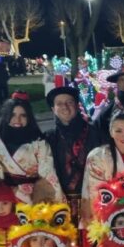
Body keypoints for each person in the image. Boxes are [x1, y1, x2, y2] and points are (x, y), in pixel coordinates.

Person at [0, 93, 64, 204]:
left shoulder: (39, 142)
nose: (17, 120)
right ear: (6, 115)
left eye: (23, 115)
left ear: (29, 118)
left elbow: (48, 175)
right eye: (13, 115)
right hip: (0, 199)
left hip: (32, 198)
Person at [44, 86, 103, 225]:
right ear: (53, 109)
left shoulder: (97, 134)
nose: (65, 107)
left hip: (91, 201)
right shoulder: (48, 138)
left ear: (77, 105)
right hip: (60, 204)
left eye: (69, 102)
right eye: (59, 104)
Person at [82, 112, 124, 223]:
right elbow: (95, 195)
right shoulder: (98, 157)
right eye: (118, 131)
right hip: (108, 219)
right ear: (111, 133)